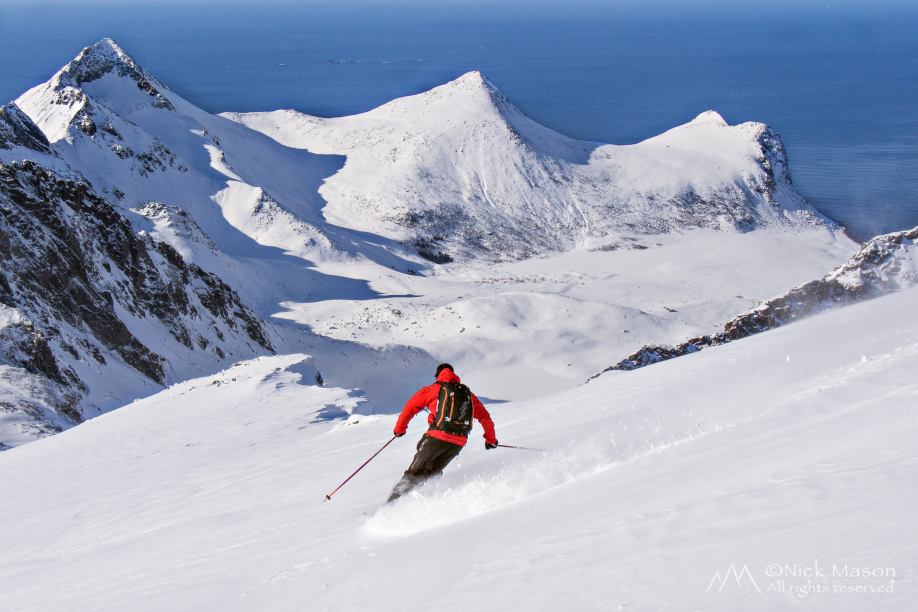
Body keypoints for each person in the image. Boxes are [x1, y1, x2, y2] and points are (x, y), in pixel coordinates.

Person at [388, 363, 497, 502]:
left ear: (437, 375)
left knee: (413, 474)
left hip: (436, 438)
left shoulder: (432, 389)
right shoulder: (467, 394)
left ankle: (390, 507)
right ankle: (423, 505)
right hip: (457, 443)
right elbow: (485, 418)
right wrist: (491, 440)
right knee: (431, 475)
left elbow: (409, 409)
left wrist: (399, 430)